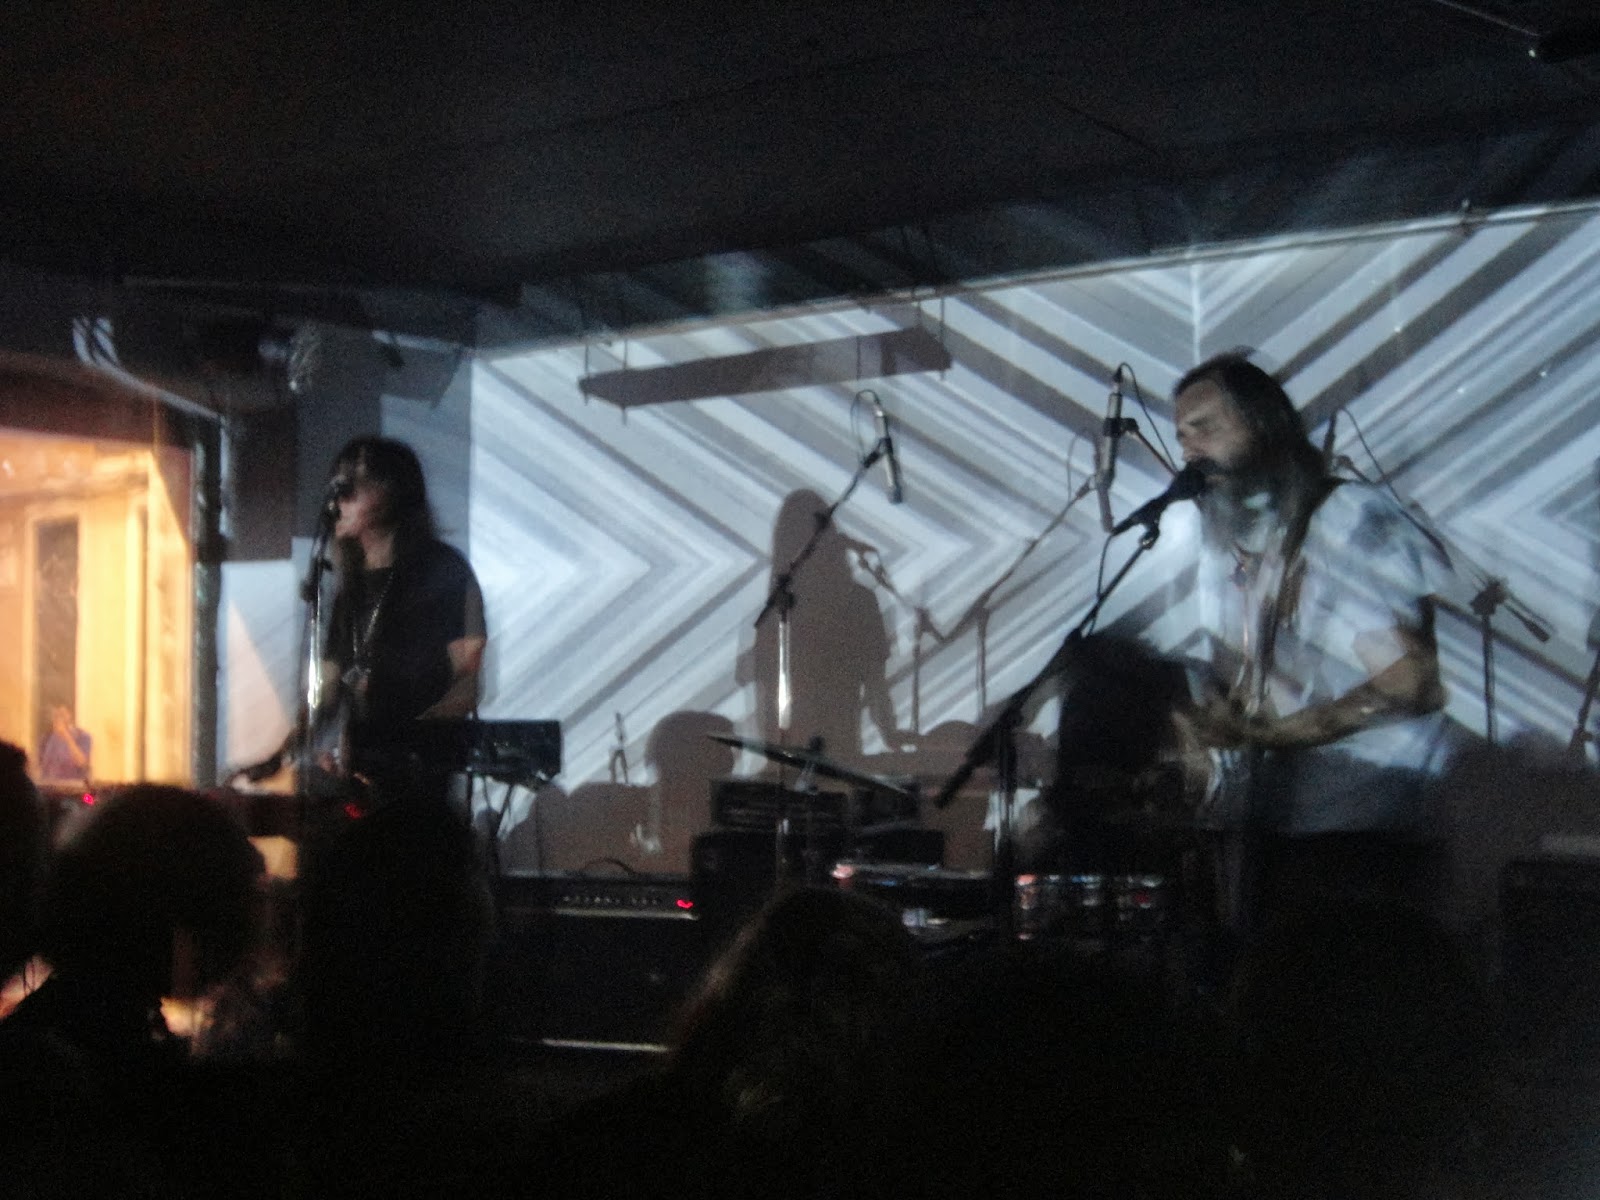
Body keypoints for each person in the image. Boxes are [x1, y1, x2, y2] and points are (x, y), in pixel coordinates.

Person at [1160, 352, 1456, 930]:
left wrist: (1273, 735)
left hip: (1362, 838)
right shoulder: (1236, 539)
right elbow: (1250, 683)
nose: (1190, 449)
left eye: (1205, 427)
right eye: (1182, 436)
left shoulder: (1345, 518)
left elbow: (1410, 683)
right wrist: (1200, 722)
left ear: (1263, 426)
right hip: (1283, 828)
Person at [37, 704, 91, 784]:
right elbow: (41, 766)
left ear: (70, 715)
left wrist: (66, 736)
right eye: (56, 715)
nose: (59, 719)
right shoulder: (46, 738)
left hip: (74, 787)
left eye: (62, 715)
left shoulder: (83, 737)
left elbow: (82, 762)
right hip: (50, 786)